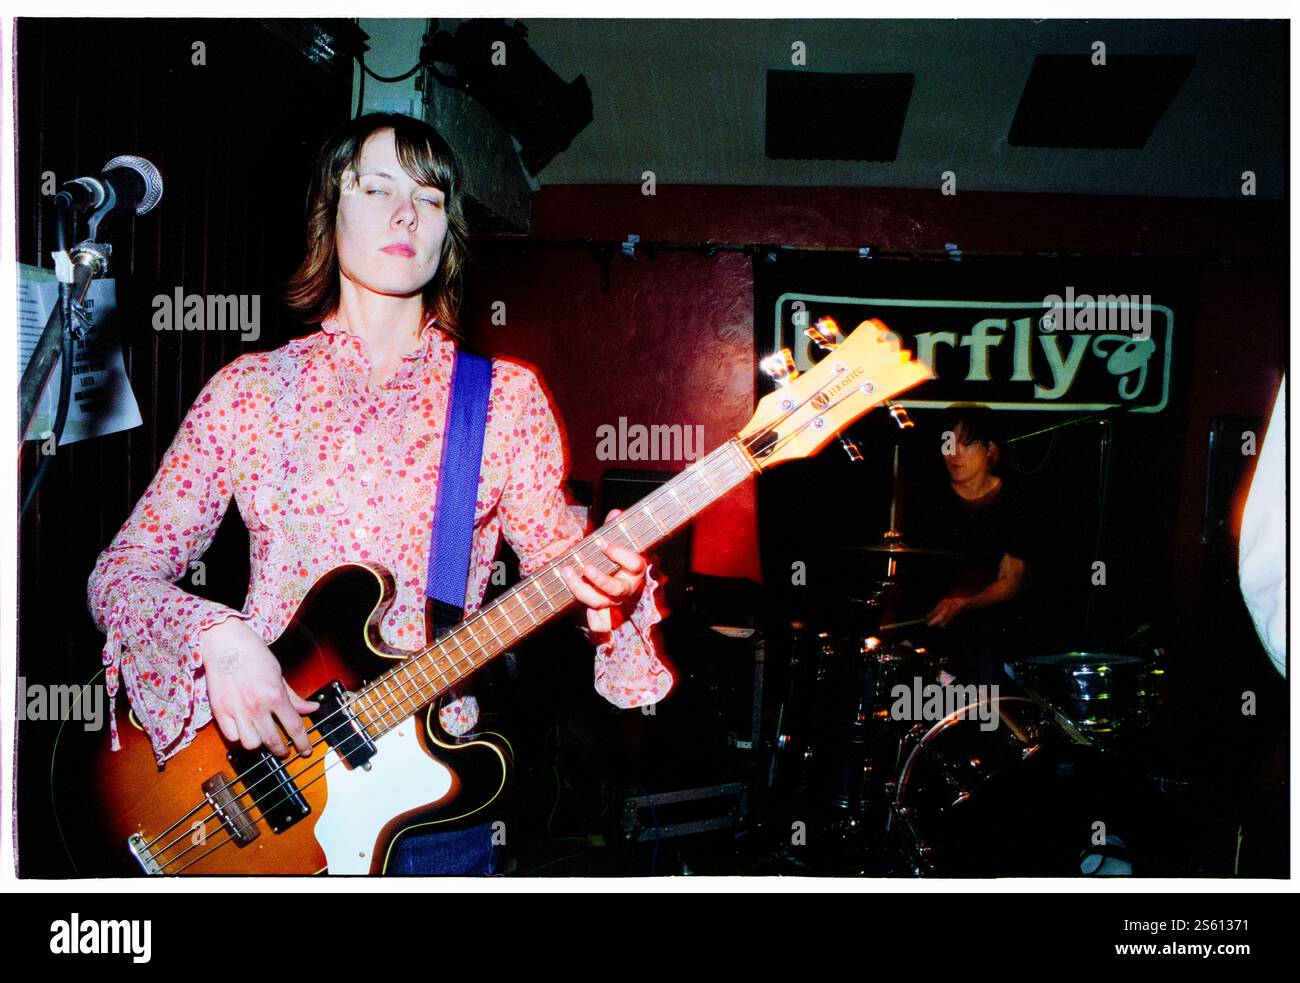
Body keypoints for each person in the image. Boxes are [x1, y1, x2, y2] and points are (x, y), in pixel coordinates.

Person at [86, 112, 672, 874]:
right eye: (377, 187)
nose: (407, 212)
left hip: (434, 802)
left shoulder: (502, 401)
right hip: (258, 781)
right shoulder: (251, 391)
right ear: (330, 211)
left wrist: (611, 595)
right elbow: (118, 577)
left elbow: (569, 564)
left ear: (447, 232)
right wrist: (219, 640)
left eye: (430, 198)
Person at [910, 405, 1032, 685]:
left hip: (994, 627)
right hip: (932, 625)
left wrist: (964, 604)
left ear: (990, 450)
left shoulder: (1015, 501)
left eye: (965, 445)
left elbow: (1010, 581)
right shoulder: (927, 503)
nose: (953, 455)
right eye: (948, 444)